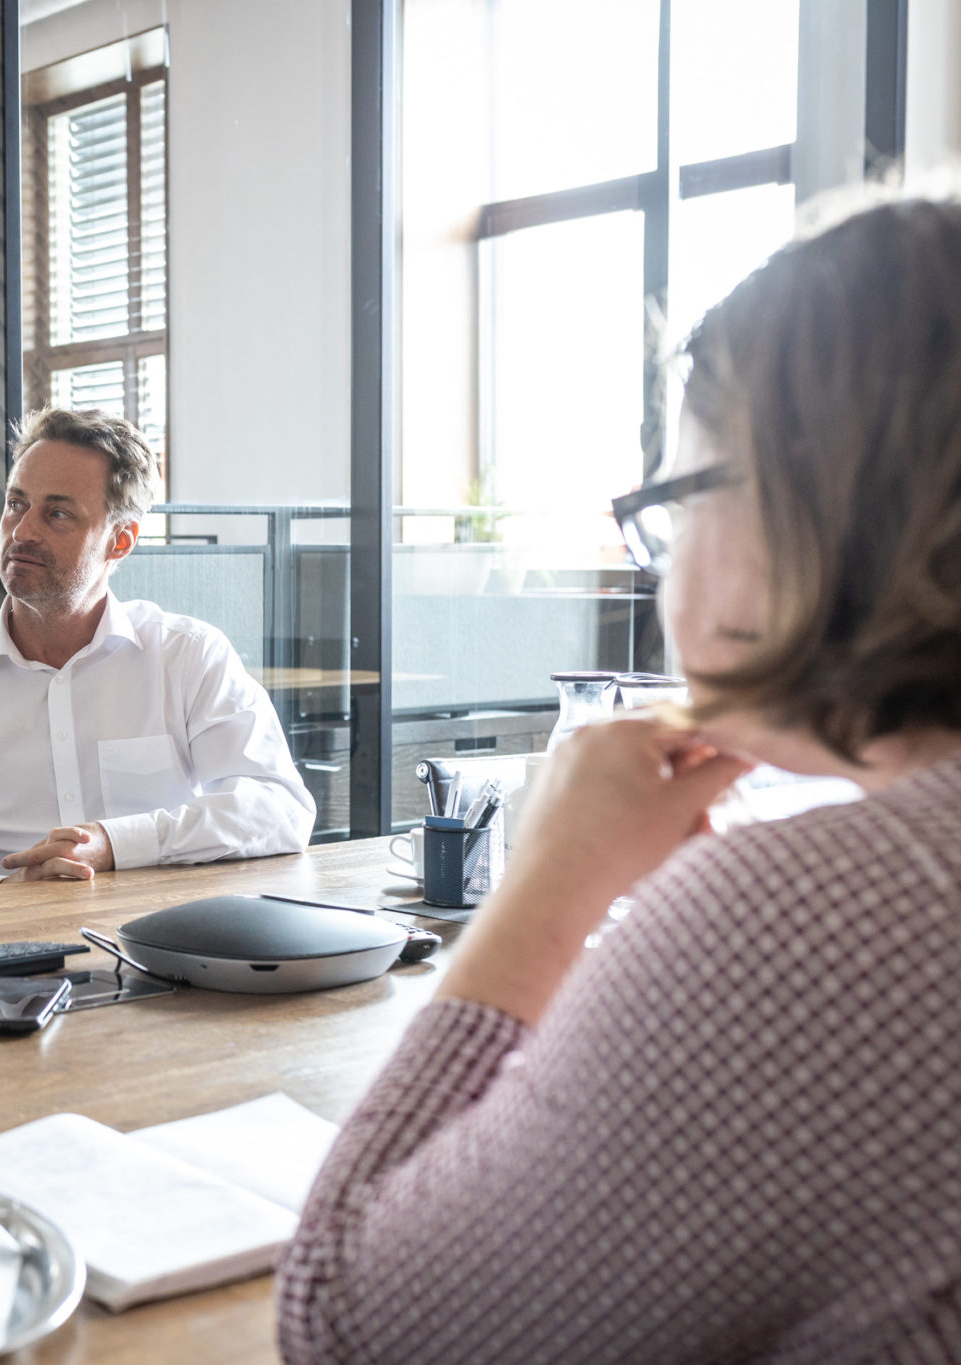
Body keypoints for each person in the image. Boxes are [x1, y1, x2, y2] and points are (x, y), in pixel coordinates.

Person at [277, 195, 961, 1362]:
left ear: (819, 514)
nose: (659, 568)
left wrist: (549, 881)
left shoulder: (810, 926)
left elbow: (350, 1326)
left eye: (671, 505)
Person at [0, 407, 315, 901]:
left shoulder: (187, 657)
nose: (22, 532)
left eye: (57, 513)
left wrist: (115, 843)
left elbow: (279, 809)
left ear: (121, 540)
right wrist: (0, 891)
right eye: (16, 504)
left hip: (160, 945)